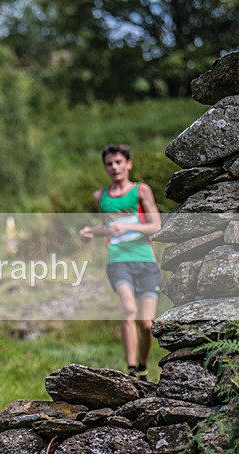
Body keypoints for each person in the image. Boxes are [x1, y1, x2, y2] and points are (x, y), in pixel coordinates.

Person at [79, 144, 161, 381]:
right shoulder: (100, 197)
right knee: (128, 309)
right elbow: (109, 229)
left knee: (147, 324)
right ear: (105, 167)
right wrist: (89, 233)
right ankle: (131, 369)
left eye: (118, 162)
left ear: (128, 164)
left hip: (146, 261)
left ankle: (143, 368)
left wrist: (128, 225)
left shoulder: (141, 190)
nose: (114, 167)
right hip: (118, 261)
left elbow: (155, 225)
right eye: (109, 164)